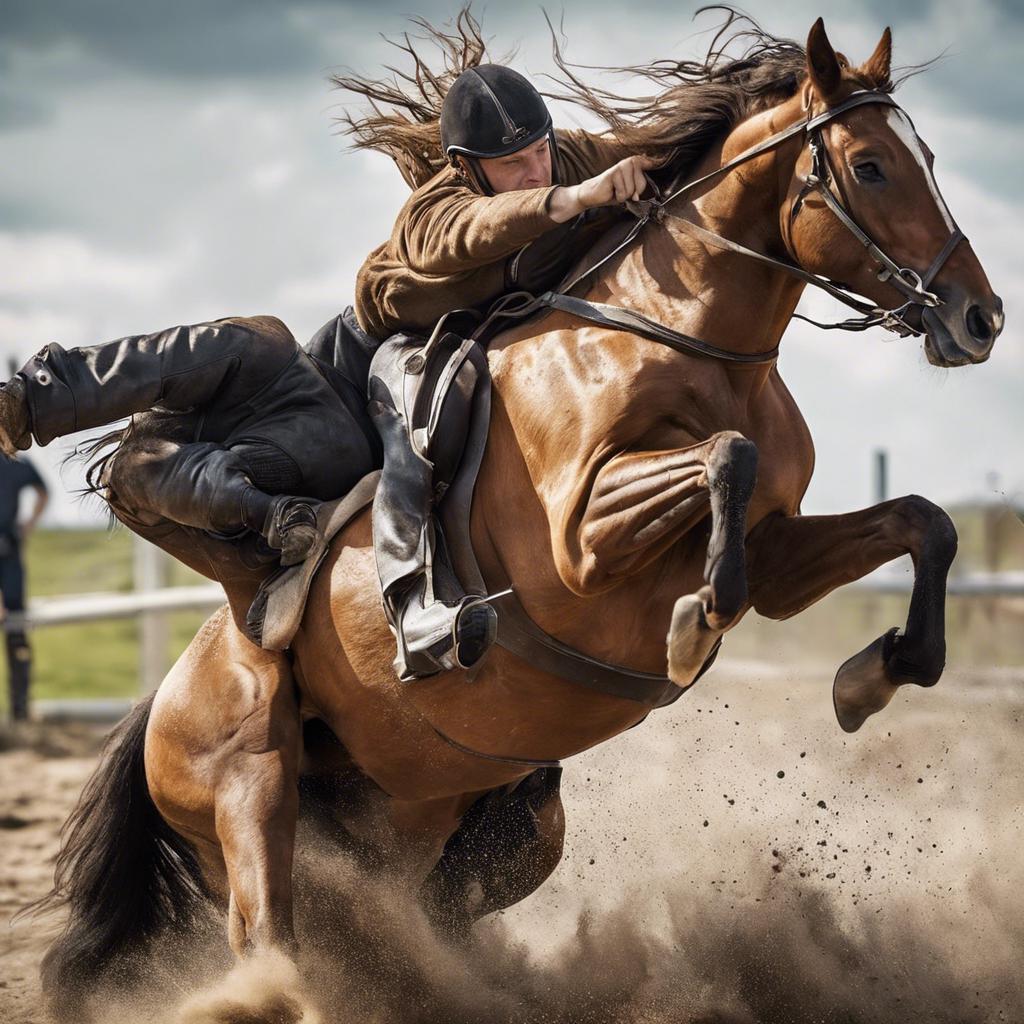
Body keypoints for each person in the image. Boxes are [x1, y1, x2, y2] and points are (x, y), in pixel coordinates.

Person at [357, 64, 657, 679]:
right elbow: (472, 232)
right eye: (513, 164)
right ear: (468, 167)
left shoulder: (568, 157)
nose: (536, 170)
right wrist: (571, 200)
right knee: (415, 428)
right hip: (400, 338)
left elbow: (669, 148)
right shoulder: (433, 210)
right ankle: (412, 609)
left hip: (503, 322)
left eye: (540, 151)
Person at [0, 315, 379, 637]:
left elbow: (155, 364)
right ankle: (31, 397)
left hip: (303, 445)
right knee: (234, 347)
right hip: (341, 442)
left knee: (128, 471)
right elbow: (156, 359)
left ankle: (27, 399)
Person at [0, 453, 48, 721]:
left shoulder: (16, 462)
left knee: (17, 630)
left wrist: (28, 524)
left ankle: (20, 713)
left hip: (9, 554)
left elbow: (43, 492)